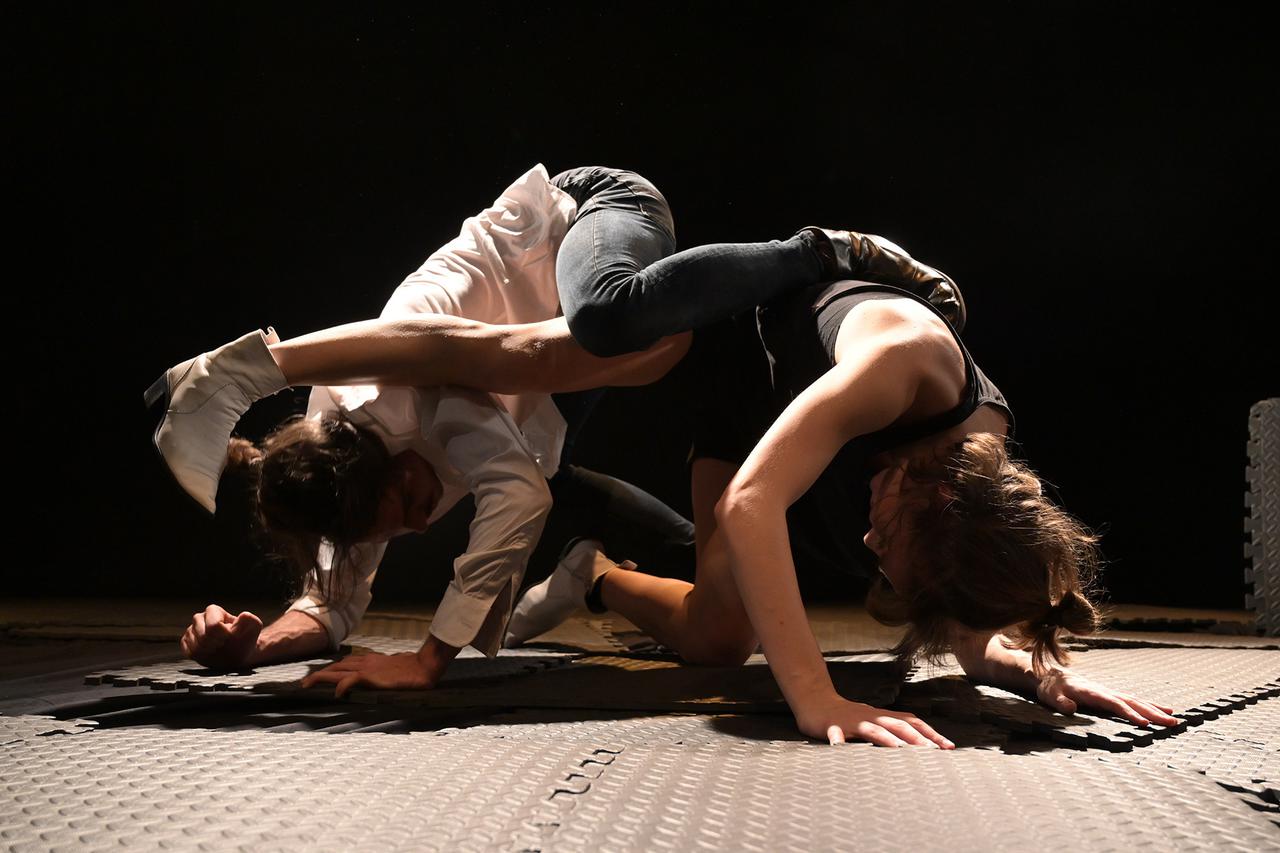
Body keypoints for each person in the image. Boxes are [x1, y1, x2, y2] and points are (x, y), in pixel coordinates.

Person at [154, 165, 959, 694]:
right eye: (394, 529)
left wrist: (430, 659)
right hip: (568, 394)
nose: (419, 524)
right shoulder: (356, 490)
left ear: (386, 459)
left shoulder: (418, 396)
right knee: (714, 604)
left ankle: (821, 250)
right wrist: (250, 649)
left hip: (594, 219)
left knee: (602, 319)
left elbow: (513, 484)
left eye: (405, 506)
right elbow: (330, 606)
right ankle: (590, 573)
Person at [504, 278, 1181, 748]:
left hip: (824, 458)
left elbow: (971, 645)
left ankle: (592, 573)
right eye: (889, 539)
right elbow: (750, 500)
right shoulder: (904, 360)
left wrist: (1039, 672)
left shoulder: (959, 500)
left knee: (721, 623)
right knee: (722, 633)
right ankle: (583, 538)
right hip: (751, 390)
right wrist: (816, 696)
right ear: (938, 499)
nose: (868, 540)